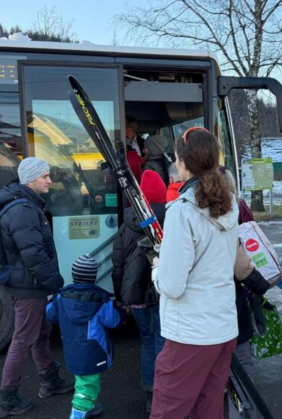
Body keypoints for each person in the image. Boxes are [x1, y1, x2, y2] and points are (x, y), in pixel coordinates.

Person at [150, 127, 238, 419]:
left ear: (183, 163)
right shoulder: (230, 204)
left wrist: (157, 269)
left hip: (191, 334)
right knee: (209, 408)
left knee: (167, 411)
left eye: (176, 158)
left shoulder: (181, 211)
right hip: (223, 327)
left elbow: (172, 286)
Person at [0, 157, 72, 419]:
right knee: (23, 339)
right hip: (28, 286)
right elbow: (33, 254)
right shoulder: (23, 210)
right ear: (30, 179)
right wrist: (55, 282)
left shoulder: (24, 204)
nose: (49, 180)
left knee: (39, 333)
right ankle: (6, 399)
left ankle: (49, 380)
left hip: (27, 283)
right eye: (45, 176)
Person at [111, 170, 167, 414]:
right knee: (164, 343)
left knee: (147, 342)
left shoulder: (126, 224)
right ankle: (167, 394)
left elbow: (118, 265)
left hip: (136, 297)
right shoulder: (170, 217)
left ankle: (149, 394)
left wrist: (120, 296)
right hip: (163, 293)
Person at [46, 254, 127, 419]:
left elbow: (50, 314)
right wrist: (123, 312)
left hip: (71, 349)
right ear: (93, 277)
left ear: (74, 275)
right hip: (92, 350)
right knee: (88, 384)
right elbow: (114, 320)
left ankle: (88, 407)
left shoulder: (62, 297)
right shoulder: (100, 300)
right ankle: (78, 412)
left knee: (83, 379)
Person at [223, 168, 270, 377]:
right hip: (239, 283)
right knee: (241, 346)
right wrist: (259, 284)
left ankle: (231, 389)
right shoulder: (238, 206)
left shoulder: (203, 211)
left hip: (224, 287)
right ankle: (245, 401)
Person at [125, 116, 144, 182]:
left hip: (141, 177)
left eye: (124, 126)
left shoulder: (143, 142)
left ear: (131, 128)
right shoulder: (121, 142)